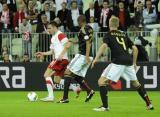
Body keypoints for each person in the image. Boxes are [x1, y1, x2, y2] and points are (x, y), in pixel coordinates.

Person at [92, 16, 154, 111]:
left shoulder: (109, 34)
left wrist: (95, 58)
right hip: (128, 61)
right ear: (118, 24)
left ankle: (105, 107)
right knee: (136, 83)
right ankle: (149, 104)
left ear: (109, 24)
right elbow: (135, 48)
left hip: (118, 62)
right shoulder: (124, 34)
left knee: (101, 82)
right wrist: (134, 63)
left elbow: (104, 46)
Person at [35, 21, 81, 102]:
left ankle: (50, 96)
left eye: (49, 28)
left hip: (60, 59)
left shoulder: (60, 34)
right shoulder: (53, 37)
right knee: (57, 80)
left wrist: (61, 55)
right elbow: (52, 51)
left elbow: (68, 44)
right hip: (60, 59)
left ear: (54, 27)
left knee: (46, 75)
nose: (48, 30)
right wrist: (43, 53)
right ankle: (75, 88)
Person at [57, 15, 95, 103]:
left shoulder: (83, 29)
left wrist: (86, 56)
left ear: (80, 21)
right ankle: (89, 91)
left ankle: (65, 98)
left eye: (78, 22)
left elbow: (88, 42)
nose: (77, 24)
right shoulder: (89, 28)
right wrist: (73, 41)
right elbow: (84, 41)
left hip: (83, 55)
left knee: (67, 72)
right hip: (89, 56)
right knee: (77, 76)